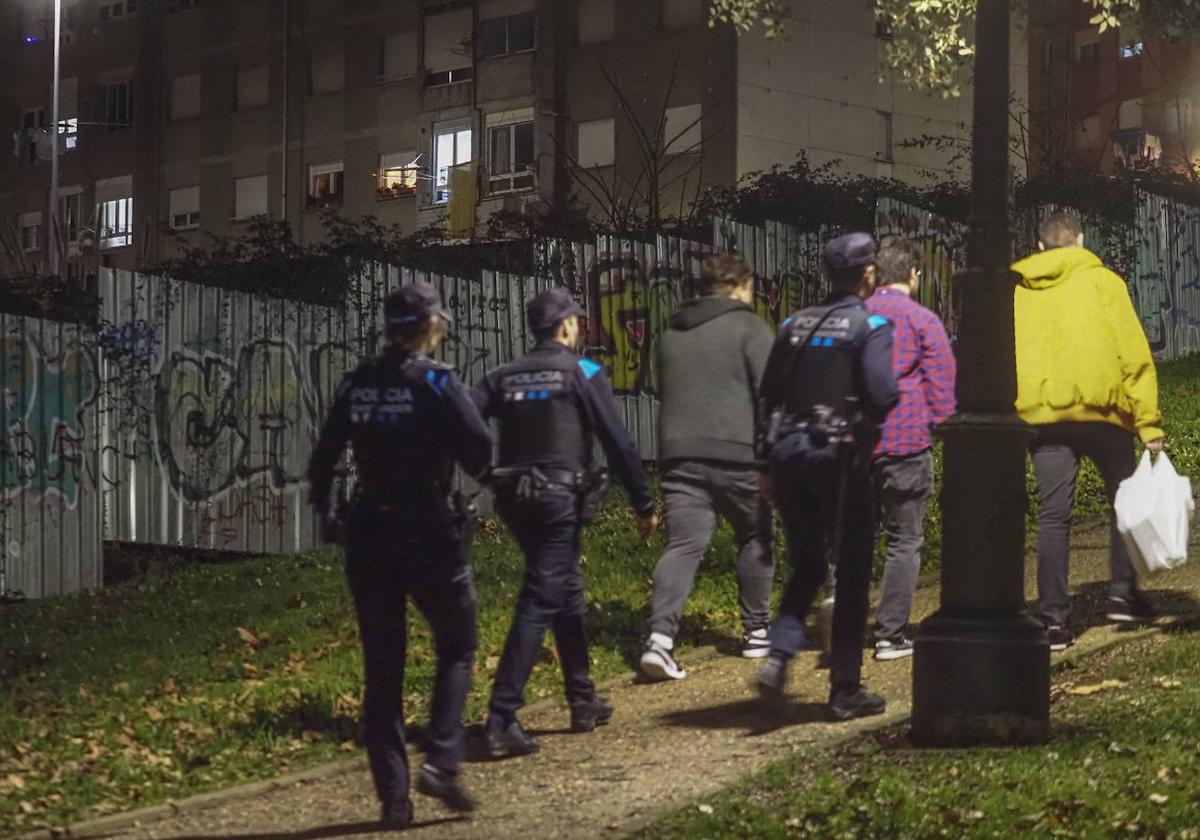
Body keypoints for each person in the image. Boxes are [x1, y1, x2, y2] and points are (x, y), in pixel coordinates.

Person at [307, 282, 492, 829]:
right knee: (458, 643)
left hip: (368, 531)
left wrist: (327, 512)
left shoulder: (357, 383)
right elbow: (480, 451)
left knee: (382, 668)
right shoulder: (437, 381)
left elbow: (322, 461)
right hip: (428, 527)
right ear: (431, 326)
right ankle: (441, 758)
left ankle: (394, 799)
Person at [473, 288, 659, 757]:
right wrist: (643, 502)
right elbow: (618, 442)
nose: (581, 328)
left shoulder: (502, 375)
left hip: (515, 499)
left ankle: (582, 699)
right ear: (565, 327)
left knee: (565, 587)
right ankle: (501, 716)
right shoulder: (584, 371)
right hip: (558, 498)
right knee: (541, 593)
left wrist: (486, 475)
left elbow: (463, 421)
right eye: (578, 321)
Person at [755, 232, 899, 721]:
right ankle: (844, 690)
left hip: (789, 456)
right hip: (841, 460)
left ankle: (777, 657)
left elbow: (769, 393)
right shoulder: (871, 324)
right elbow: (882, 395)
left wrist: (764, 465)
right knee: (853, 572)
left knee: (808, 566)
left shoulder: (793, 324)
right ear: (868, 274)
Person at [1013, 211, 1166, 652]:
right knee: (1125, 500)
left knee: (1053, 517)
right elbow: (1132, 354)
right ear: (1081, 239)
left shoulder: (1020, 289)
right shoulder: (1104, 282)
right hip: (1104, 414)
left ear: (1041, 246)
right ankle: (1121, 593)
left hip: (1044, 417)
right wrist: (1148, 423)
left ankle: (1055, 620)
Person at [638, 254, 776, 681]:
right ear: (739, 286)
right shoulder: (750, 327)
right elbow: (771, 395)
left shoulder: (670, 334)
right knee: (755, 534)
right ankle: (756, 632)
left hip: (680, 454)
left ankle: (659, 641)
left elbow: (660, 388)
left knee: (683, 545)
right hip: (738, 454)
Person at [865, 236, 957, 661]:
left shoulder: (854, 317)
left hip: (857, 445)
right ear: (912, 275)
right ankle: (890, 635)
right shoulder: (923, 321)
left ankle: (844, 622)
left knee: (855, 540)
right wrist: (941, 428)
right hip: (905, 441)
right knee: (904, 541)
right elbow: (940, 385)